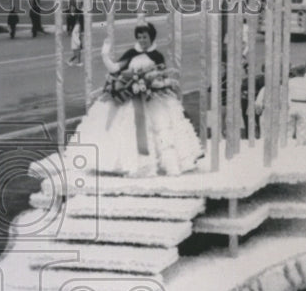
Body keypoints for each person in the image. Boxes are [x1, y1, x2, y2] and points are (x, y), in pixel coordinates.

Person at [64, 20, 202, 177]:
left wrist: (154, 84)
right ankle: (123, 164)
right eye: (140, 37)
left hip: (152, 99)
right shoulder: (131, 53)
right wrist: (104, 54)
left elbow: (162, 76)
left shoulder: (157, 56)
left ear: (151, 37)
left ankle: (159, 163)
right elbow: (114, 68)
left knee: (161, 128)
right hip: (129, 98)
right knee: (125, 129)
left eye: (145, 37)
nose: (142, 41)